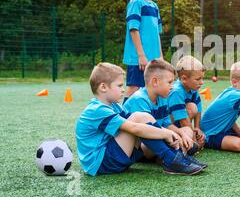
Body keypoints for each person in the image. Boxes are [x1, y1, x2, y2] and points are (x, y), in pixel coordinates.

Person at [76, 62, 205, 176]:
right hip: (101, 163)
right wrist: (166, 133)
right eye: (120, 85)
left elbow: (141, 122)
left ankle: (176, 156)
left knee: (143, 117)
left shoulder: (113, 106)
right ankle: (171, 159)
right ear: (103, 87)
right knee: (139, 117)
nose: (123, 90)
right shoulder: (96, 110)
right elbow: (134, 127)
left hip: (112, 156)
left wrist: (172, 133)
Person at [123, 59, 207, 168]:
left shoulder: (162, 98)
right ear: (155, 82)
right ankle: (174, 156)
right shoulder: (139, 100)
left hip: (157, 136)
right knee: (169, 136)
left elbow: (167, 123)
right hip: (140, 146)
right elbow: (147, 131)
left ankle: (174, 156)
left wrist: (182, 134)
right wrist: (174, 135)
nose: (172, 86)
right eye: (169, 82)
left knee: (186, 131)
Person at [123, 0, 164, 101]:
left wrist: (160, 56)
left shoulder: (154, 6)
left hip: (153, 58)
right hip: (138, 58)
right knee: (134, 88)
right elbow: (133, 29)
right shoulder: (136, 2)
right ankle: (123, 117)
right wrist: (141, 55)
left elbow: (157, 33)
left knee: (152, 88)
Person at [168, 56, 207, 153]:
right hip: (168, 125)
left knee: (194, 107)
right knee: (191, 107)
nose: (202, 82)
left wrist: (197, 128)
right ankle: (184, 141)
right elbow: (183, 120)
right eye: (198, 79)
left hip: (181, 124)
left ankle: (186, 138)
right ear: (184, 79)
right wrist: (194, 142)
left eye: (202, 78)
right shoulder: (177, 92)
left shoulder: (192, 88)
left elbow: (198, 108)